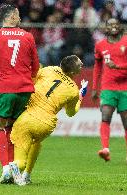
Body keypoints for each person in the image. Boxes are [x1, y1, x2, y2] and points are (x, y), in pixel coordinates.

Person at [0, 4, 40, 183]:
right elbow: (36, 67)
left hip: (5, 88)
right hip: (25, 90)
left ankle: (6, 168)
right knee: (13, 130)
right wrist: (27, 81)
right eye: (19, 15)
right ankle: (16, 171)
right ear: (12, 17)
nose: (20, 18)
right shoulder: (28, 37)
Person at [9, 55, 88, 185]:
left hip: (26, 117)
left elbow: (32, 78)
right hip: (45, 123)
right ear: (73, 72)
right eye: (80, 64)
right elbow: (71, 113)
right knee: (36, 142)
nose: (83, 63)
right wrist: (80, 96)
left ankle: (15, 167)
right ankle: (26, 175)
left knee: (20, 159)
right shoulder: (73, 90)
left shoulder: (49, 69)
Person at [91, 18, 127, 166]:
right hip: (107, 86)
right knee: (105, 115)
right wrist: (94, 88)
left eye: (116, 24)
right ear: (105, 28)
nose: (113, 26)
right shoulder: (100, 45)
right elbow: (97, 67)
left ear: (119, 26)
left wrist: (116, 66)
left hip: (125, 88)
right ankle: (105, 149)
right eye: (110, 24)